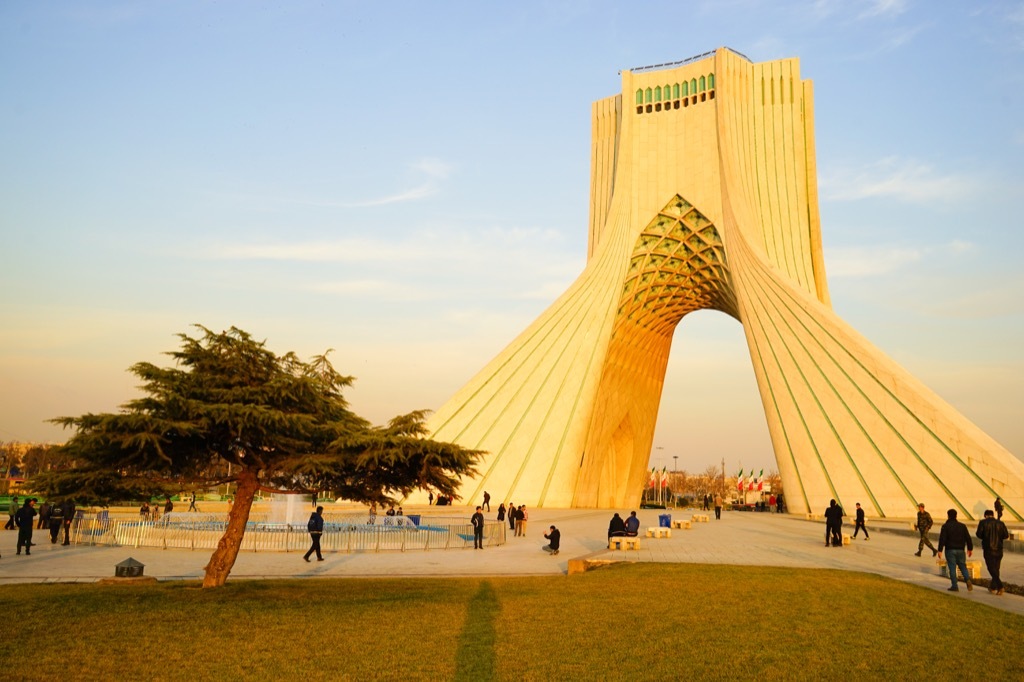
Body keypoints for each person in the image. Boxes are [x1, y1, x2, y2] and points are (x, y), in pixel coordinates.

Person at [937, 509, 973, 592]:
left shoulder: (945, 526)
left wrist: (940, 550)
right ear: (956, 516)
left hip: (950, 550)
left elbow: (942, 539)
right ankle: (967, 579)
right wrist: (970, 548)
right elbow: (968, 538)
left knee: (952, 567)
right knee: (962, 566)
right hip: (960, 550)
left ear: (948, 516)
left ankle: (954, 585)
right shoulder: (962, 526)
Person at [976, 509, 1009, 595]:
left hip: (988, 549)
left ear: (985, 515)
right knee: (996, 568)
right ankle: (993, 587)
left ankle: (1000, 586)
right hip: (999, 549)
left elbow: (979, 534)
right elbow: (1006, 535)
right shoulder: (1000, 523)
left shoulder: (983, 522)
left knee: (991, 568)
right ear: (993, 515)